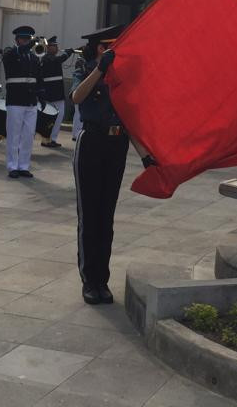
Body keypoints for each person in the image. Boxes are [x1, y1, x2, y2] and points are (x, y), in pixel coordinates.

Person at [71, 24, 156, 305]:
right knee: (90, 216)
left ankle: (102, 280)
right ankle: (88, 280)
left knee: (106, 216)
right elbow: (76, 98)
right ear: (100, 48)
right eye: (111, 46)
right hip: (92, 144)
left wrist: (144, 154)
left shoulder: (123, 78)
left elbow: (128, 119)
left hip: (116, 145)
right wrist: (99, 70)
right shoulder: (85, 68)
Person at [1, 25, 40, 179]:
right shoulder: (10, 53)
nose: (26, 41)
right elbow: (19, 51)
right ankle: (12, 166)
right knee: (14, 135)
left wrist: (41, 94)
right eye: (24, 39)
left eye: (28, 39)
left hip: (31, 101)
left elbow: (38, 76)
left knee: (28, 135)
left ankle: (24, 166)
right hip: (16, 100)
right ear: (17, 40)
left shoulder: (33, 57)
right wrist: (31, 44)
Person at [38, 36, 72, 149]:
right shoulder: (47, 58)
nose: (57, 48)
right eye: (54, 46)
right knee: (50, 118)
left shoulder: (51, 57)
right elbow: (58, 60)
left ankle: (51, 139)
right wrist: (67, 54)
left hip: (57, 93)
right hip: (51, 94)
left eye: (57, 46)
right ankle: (47, 139)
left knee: (58, 117)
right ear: (48, 47)